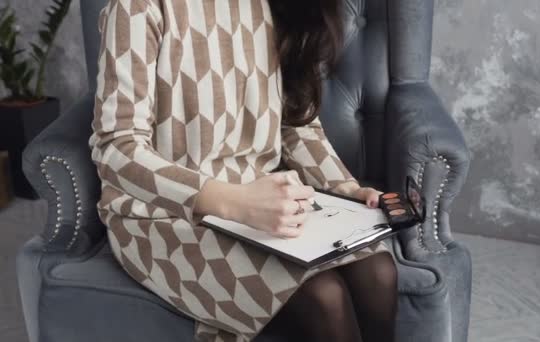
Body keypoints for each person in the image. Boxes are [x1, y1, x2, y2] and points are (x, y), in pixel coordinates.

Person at [88, 0, 398, 341]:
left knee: (378, 272)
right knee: (324, 297)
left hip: (264, 205)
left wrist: (348, 191)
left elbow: (295, 125)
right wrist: (234, 202)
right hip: (160, 216)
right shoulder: (137, 7)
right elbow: (117, 147)